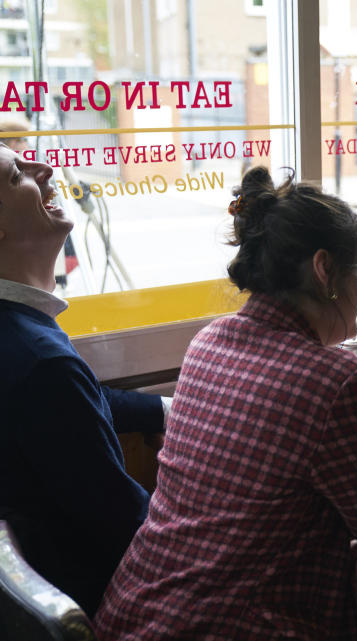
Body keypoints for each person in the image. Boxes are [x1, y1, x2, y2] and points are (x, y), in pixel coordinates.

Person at [94, 166, 357, 641]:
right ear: (324, 270)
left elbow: (261, 502)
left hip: (132, 613)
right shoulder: (339, 381)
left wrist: (342, 540)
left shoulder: (208, 342)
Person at [0, 144, 166, 615]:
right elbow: (127, 525)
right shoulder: (40, 361)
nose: (45, 167)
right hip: (100, 597)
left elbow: (76, 405)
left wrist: (172, 409)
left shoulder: (24, 344)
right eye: (17, 176)